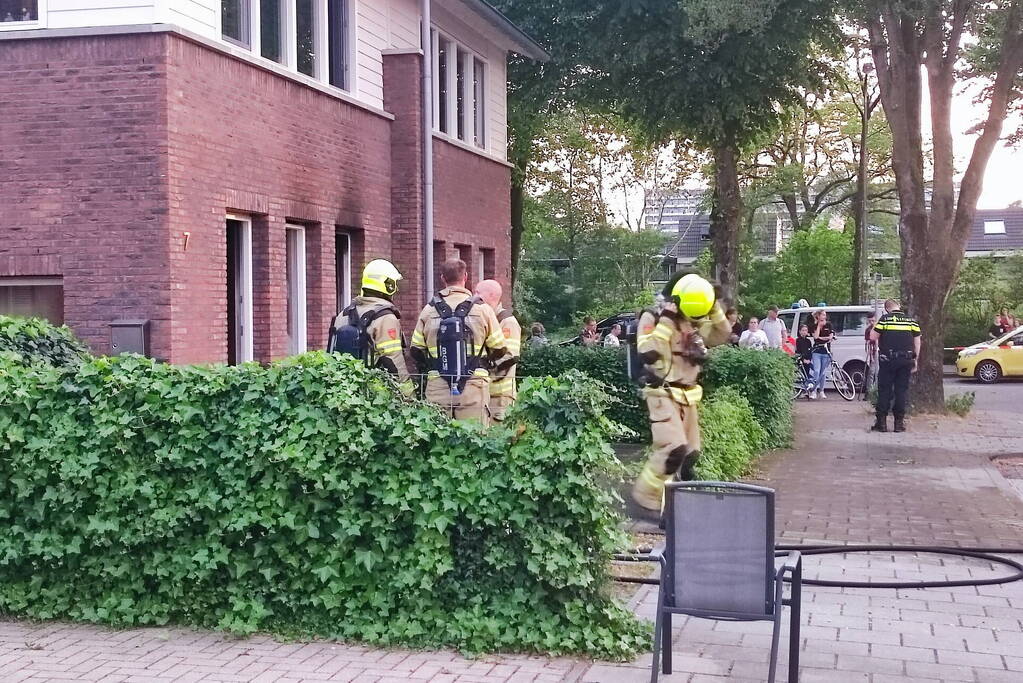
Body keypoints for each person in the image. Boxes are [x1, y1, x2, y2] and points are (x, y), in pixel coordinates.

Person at [631, 273, 732, 514]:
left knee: (689, 453)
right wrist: (666, 320)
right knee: (672, 449)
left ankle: (673, 501)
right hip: (662, 393)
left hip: (688, 396)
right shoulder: (654, 316)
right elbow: (648, 352)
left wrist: (714, 305)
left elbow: (721, 334)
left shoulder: (691, 319)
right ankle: (645, 499)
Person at [410, 259, 510, 425]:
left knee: (437, 441)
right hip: (474, 386)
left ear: (443, 278)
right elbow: (499, 347)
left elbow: (416, 350)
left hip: (438, 386)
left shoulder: (428, 310)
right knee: (473, 442)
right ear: (465, 277)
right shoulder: (483, 309)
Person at [327, 259, 410, 384]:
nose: (397, 288)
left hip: (343, 389)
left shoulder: (343, 314)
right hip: (374, 390)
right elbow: (393, 361)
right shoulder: (386, 318)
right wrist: (408, 395)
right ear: (388, 285)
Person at [870, 299, 921, 433]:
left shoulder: (885, 319)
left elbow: (872, 337)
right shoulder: (911, 321)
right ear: (898, 307)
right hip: (906, 360)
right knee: (901, 391)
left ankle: (881, 423)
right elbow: (917, 341)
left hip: (888, 361)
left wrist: (875, 325)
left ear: (887, 309)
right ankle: (899, 424)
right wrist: (915, 359)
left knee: (884, 390)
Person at [475, 279, 520, 422]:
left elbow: (509, 358)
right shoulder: (486, 319)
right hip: (485, 393)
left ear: (491, 295)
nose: (474, 296)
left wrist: (484, 372)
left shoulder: (507, 322)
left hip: (500, 396)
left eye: (478, 293)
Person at [809, 310, 835, 400]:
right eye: (823, 315)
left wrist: (823, 338)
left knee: (823, 373)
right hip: (817, 351)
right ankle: (814, 391)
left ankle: (822, 390)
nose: (825, 316)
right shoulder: (814, 326)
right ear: (818, 316)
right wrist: (819, 326)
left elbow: (830, 337)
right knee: (816, 370)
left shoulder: (829, 325)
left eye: (825, 315)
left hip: (826, 351)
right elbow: (816, 337)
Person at [863, 312, 879, 400]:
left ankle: (878, 392)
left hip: (880, 352)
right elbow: (867, 343)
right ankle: (868, 393)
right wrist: (870, 355)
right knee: (871, 373)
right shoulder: (868, 330)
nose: (872, 323)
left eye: (873, 320)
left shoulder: (880, 328)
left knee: (879, 373)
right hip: (873, 353)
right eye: (870, 321)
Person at [795, 324, 813, 390]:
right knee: (802, 375)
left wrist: (809, 359)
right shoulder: (798, 340)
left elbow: (810, 351)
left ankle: (807, 389)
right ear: (800, 331)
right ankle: (802, 389)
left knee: (808, 374)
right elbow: (798, 351)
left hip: (808, 360)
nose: (804, 332)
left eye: (806, 330)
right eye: (803, 330)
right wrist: (803, 359)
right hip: (801, 360)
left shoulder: (808, 341)